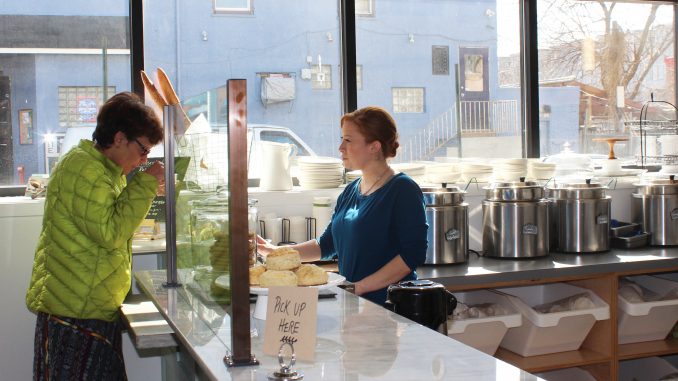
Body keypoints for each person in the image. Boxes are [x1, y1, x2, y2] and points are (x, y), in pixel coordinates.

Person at [25, 91, 165, 380]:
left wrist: (141, 187)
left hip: (86, 305)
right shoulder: (84, 169)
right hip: (74, 312)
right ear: (119, 138)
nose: (142, 160)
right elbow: (110, 232)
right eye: (143, 150)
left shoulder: (101, 169)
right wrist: (144, 186)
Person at [258, 106, 428, 304]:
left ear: (374, 146)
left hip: (389, 305)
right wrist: (274, 252)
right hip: (354, 301)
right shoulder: (350, 190)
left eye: (348, 140)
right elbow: (327, 244)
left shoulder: (403, 189)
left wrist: (359, 287)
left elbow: (412, 255)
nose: (340, 147)